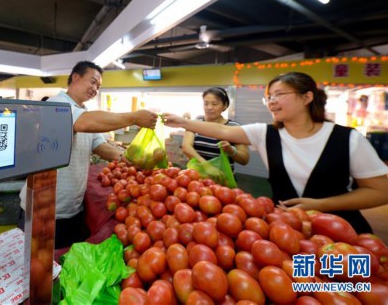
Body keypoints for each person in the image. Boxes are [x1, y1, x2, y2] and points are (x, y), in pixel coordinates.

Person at [163, 72, 388, 234]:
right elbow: (222, 130)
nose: (272, 102)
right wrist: (183, 121)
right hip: (287, 231)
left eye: (279, 95)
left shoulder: (348, 139)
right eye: (269, 97)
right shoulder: (265, 133)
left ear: (307, 97)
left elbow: (380, 192)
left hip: (342, 233)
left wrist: (321, 205)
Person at [19, 61, 158, 249]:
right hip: (43, 209)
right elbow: (81, 124)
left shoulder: (83, 112)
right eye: (92, 82)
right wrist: (133, 117)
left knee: (61, 265)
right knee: (36, 269)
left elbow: (100, 146)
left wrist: (129, 159)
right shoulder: (54, 105)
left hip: (71, 209)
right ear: (75, 77)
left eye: (98, 86)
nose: (95, 89)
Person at [182, 87, 249, 171]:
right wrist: (207, 167)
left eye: (214, 104)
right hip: (195, 178)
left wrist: (231, 150)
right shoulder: (196, 122)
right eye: (206, 103)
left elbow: (244, 160)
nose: (209, 107)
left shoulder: (234, 127)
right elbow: (186, 147)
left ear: (224, 105)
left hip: (222, 178)